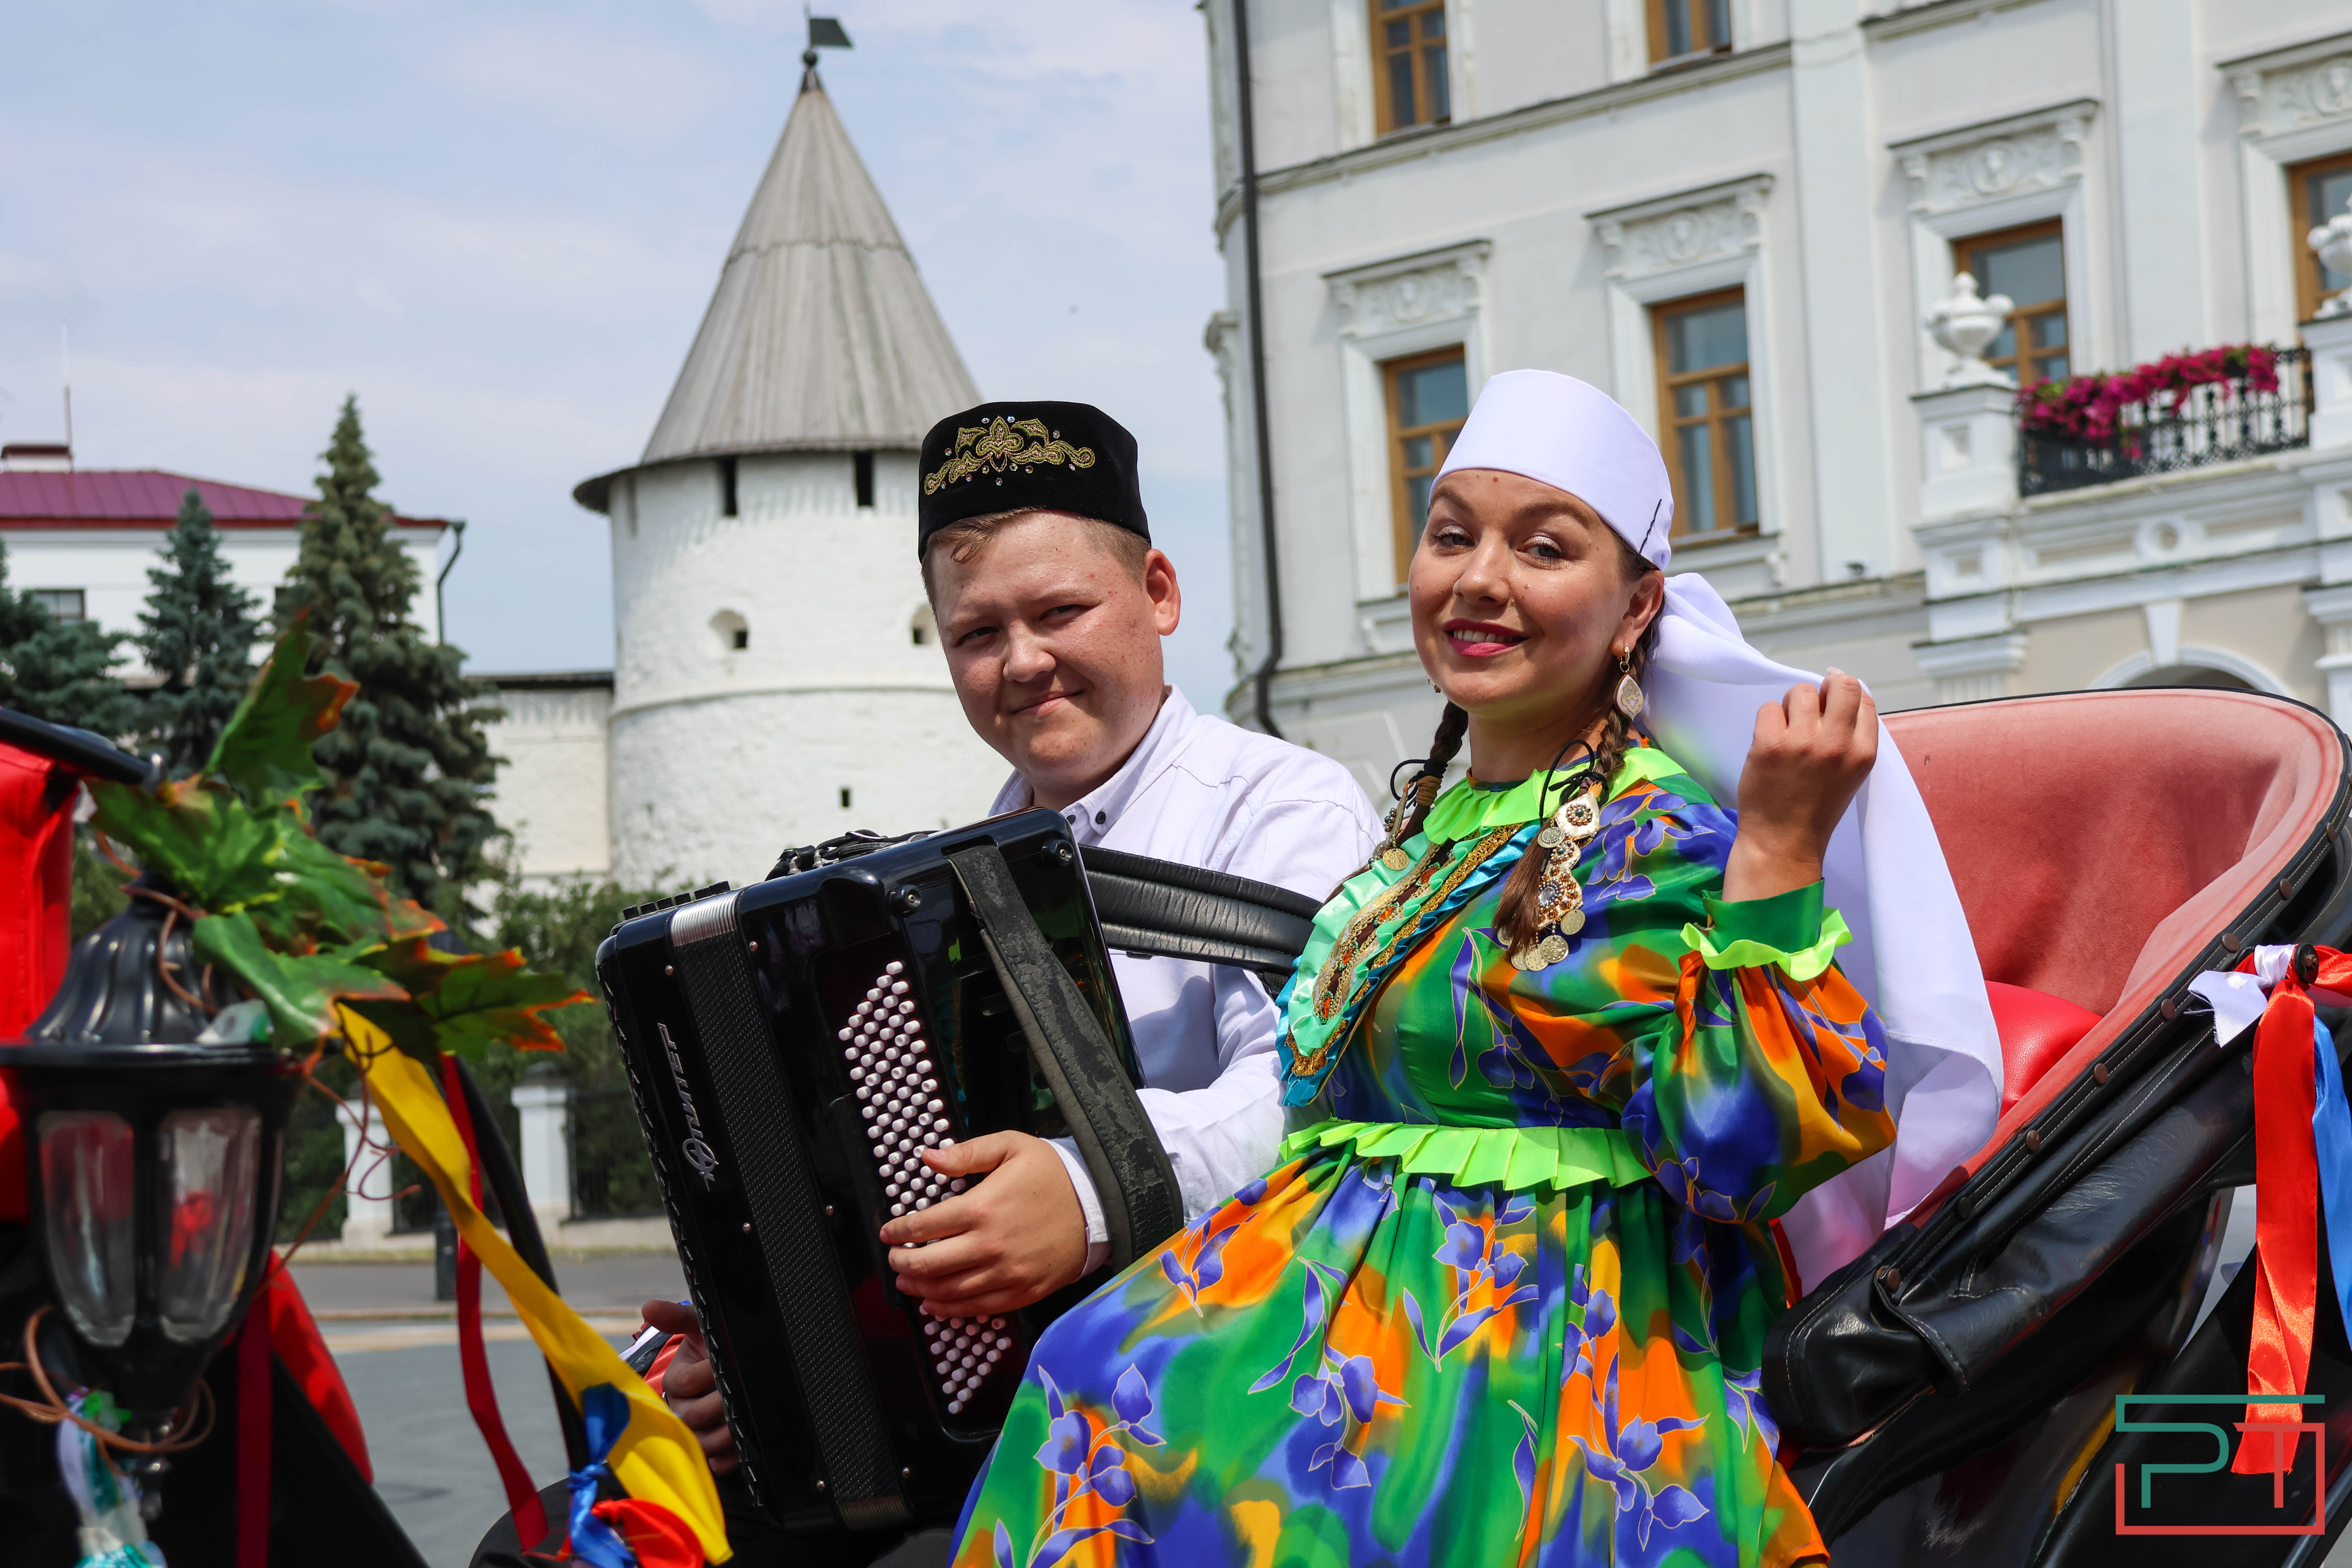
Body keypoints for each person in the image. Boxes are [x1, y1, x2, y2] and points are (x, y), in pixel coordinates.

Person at [945, 370, 2000, 1568]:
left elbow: (1742, 1150)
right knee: (1090, 1384)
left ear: (1638, 605)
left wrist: (1778, 851)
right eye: (1453, 537)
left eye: (1544, 548)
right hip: (1358, 1332)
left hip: (1531, 1361)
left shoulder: (1644, 834)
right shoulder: (1443, 834)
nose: (1482, 579)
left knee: (1116, 1417)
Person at [644, 401, 1383, 1488]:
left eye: (1061, 611)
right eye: (978, 634)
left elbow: (1313, 1099)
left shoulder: (1282, 805)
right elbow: (881, 1195)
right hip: (1021, 1414)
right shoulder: (931, 887)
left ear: (1160, 593)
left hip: (1219, 1405)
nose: (1024, 661)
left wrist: (1087, 1193)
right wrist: (764, 1354)